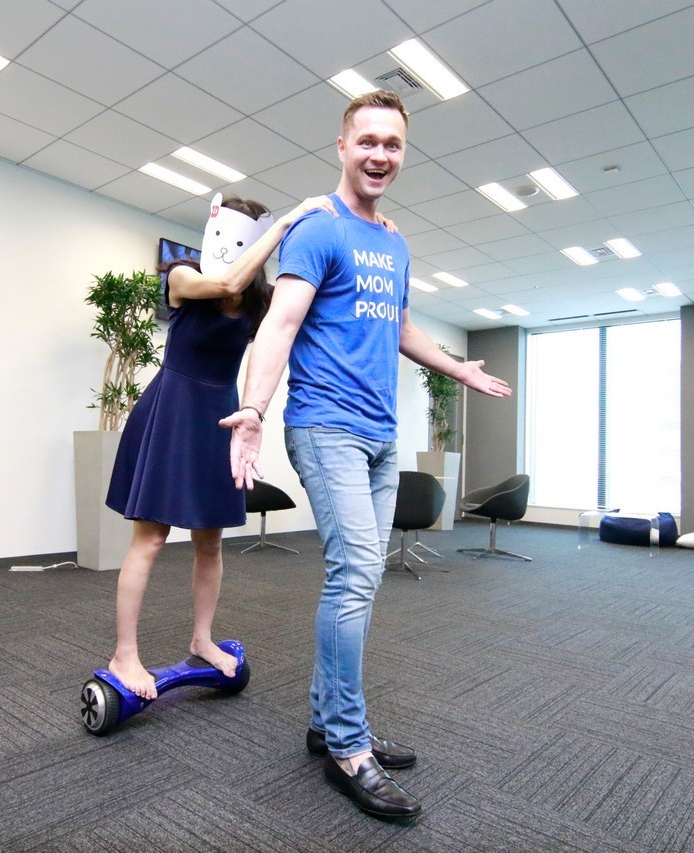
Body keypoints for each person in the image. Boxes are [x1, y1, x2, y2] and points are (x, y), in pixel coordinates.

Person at [220, 90, 513, 820]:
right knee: (353, 576)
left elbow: (401, 326)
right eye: (368, 141)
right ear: (343, 147)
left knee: (362, 579)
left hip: (381, 435)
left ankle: (326, 721)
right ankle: (349, 746)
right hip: (326, 428)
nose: (380, 154)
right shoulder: (318, 227)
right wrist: (253, 411)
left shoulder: (394, 242)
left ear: (402, 153)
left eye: (393, 143)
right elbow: (280, 324)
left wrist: (458, 368)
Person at [104, 192, 336, 701]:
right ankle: (125, 654)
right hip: (171, 410)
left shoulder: (259, 302)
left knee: (210, 543)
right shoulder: (181, 277)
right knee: (151, 538)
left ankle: (202, 640)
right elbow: (228, 281)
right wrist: (285, 225)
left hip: (221, 417)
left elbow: (299, 318)